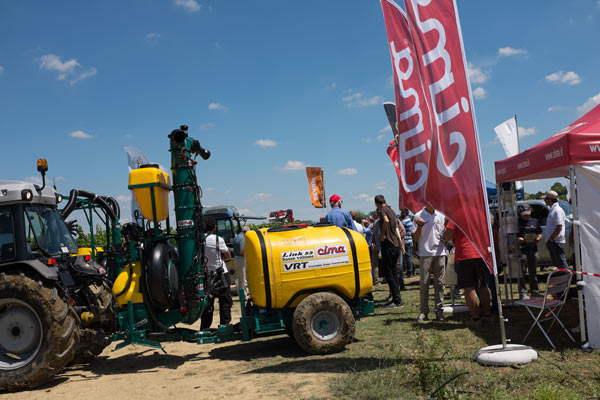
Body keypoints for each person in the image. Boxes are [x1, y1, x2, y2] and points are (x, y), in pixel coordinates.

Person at [444, 221, 492, 325]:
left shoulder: (456, 216)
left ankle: (475, 318)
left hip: (464, 254)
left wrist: (446, 224)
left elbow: (447, 236)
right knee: (482, 286)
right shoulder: (477, 213)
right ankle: (488, 315)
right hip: (480, 253)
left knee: (468, 288)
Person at [413, 202, 447, 322]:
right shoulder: (418, 216)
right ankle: (424, 311)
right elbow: (415, 238)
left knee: (440, 283)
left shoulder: (442, 215)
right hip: (425, 254)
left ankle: (439, 310)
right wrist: (419, 226)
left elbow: (445, 233)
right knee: (424, 283)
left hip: (440, 253)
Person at [201, 216, 233, 330]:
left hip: (206, 274)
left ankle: (205, 327)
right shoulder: (217, 239)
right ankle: (225, 325)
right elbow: (227, 254)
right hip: (221, 273)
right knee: (225, 300)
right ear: (214, 227)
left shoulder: (199, 240)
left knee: (208, 302)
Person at [374, 195, 403, 307]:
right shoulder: (391, 210)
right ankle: (397, 298)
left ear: (377, 203)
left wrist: (382, 235)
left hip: (388, 245)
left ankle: (397, 300)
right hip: (395, 244)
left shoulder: (382, 210)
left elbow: (385, 221)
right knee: (394, 272)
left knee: (389, 273)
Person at [517, 205, 543, 298]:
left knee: (533, 272)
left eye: (528, 215)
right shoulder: (517, 222)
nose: (526, 217)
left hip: (533, 250)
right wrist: (518, 238)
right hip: (522, 250)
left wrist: (538, 238)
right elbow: (511, 235)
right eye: (524, 215)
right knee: (522, 272)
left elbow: (540, 233)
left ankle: (534, 291)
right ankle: (523, 293)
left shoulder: (534, 221)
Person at [543, 190, 568, 271]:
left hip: (556, 241)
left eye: (545, 199)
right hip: (554, 241)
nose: (545, 201)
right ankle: (561, 280)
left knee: (561, 264)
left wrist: (551, 239)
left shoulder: (557, 210)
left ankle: (565, 280)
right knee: (557, 264)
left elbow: (559, 226)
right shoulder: (553, 210)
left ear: (550, 200)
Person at [233, 225, 250, 298]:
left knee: (239, 278)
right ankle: (244, 295)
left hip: (236, 258)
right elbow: (241, 251)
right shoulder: (243, 238)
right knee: (243, 278)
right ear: (246, 232)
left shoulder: (236, 237)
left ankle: (241, 294)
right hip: (241, 259)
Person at [400, 208, 415, 277]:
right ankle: (412, 271)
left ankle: (409, 272)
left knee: (408, 257)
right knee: (411, 256)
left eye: (402, 212)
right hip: (410, 240)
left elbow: (402, 231)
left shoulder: (404, 221)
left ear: (405, 213)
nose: (401, 214)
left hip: (406, 241)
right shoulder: (410, 220)